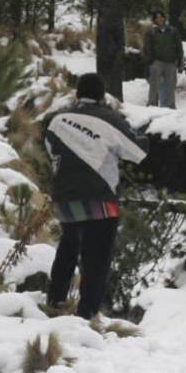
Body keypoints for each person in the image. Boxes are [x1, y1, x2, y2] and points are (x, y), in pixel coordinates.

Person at [44, 73, 149, 319]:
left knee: (68, 249)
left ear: (78, 94)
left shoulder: (57, 120)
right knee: (96, 258)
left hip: (65, 198)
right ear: (102, 96)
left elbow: (50, 150)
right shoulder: (110, 120)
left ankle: (55, 303)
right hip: (101, 199)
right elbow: (137, 152)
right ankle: (87, 315)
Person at [143, 11, 183, 109]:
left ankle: (170, 106)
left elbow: (179, 46)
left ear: (165, 18)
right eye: (157, 18)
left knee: (170, 85)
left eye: (161, 17)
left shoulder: (173, 31)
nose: (160, 19)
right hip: (157, 61)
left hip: (171, 62)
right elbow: (147, 47)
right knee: (154, 85)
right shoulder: (151, 31)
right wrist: (150, 61)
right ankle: (152, 105)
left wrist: (180, 60)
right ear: (154, 20)